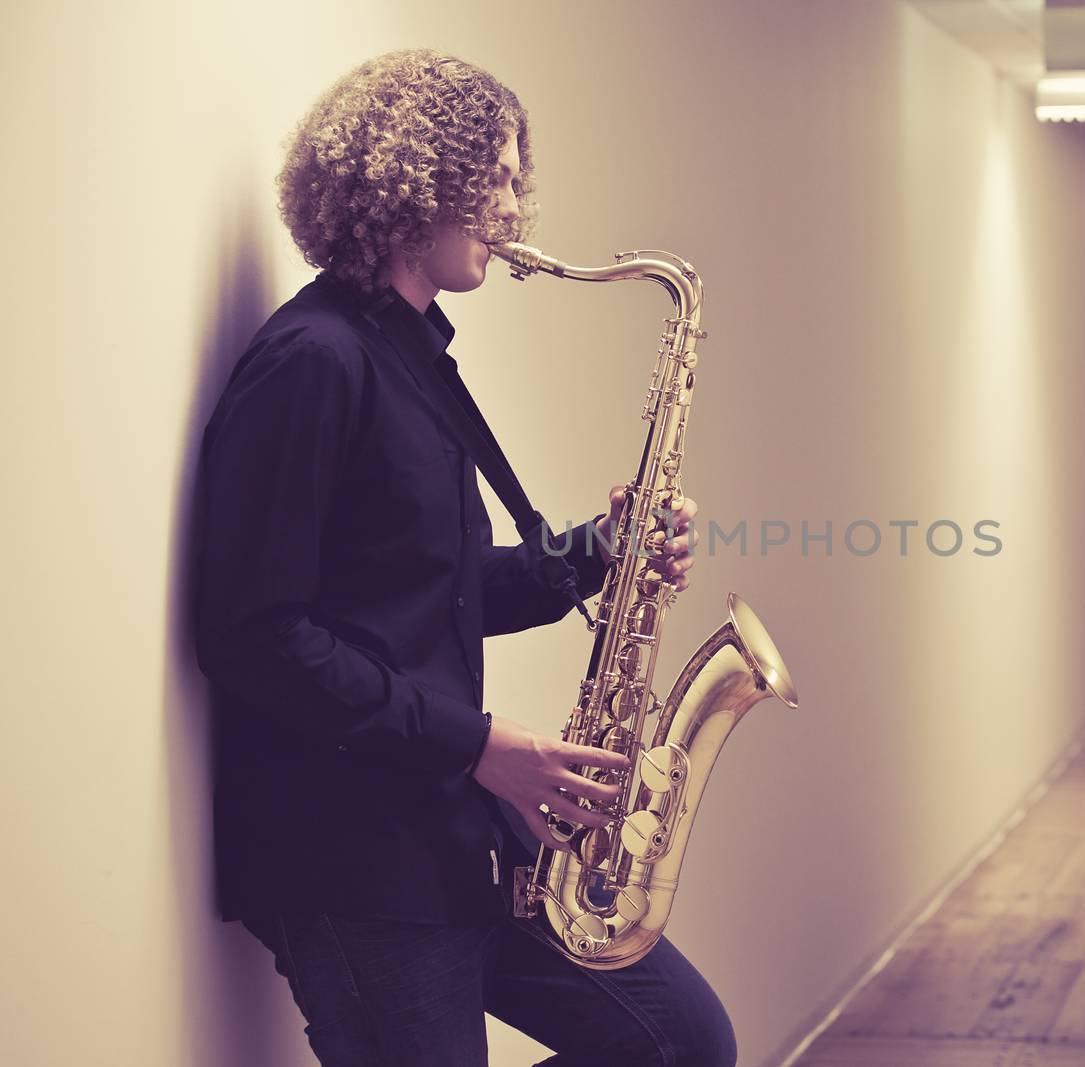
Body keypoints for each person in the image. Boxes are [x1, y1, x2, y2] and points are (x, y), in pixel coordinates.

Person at [192, 48, 734, 1066]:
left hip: (449, 827)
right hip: (351, 856)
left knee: (683, 1040)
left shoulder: (406, 352)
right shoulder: (312, 361)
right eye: (496, 176)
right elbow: (255, 635)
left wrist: (603, 553)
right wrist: (480, 742)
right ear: (418, 180)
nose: (515, 209)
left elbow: (427, 595)